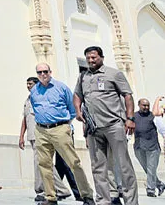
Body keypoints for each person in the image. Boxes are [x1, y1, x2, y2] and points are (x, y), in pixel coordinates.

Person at [74, 46, 139, 205]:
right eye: (88, 58)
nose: (90, 60)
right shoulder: (83, 76)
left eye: (94, 57)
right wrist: (77, 110)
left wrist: (130, 118)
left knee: (124, 166)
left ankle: (131, 201)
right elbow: (77, 95)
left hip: (114, 126)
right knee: (98, 168)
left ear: (101, 57)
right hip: (93, 129)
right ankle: (104, 200)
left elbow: (128, 96)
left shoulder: (114, 74)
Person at [29, 63, 95, 205]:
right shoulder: (34, 91)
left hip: (59, 128)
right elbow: (35, 108)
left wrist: (65, 126)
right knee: (44, 165)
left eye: (45, 71)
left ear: (50, 72)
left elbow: (72, 109)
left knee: (73, 162)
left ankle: (87, 196)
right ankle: (50, 197)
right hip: (41, 130)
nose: (42, 75)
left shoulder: (61, 87)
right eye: (39, 72)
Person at [19, 76, 72, 202]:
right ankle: (58, 189)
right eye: (27, 84)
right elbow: (25, 119)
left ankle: (46, 190)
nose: (28, 86)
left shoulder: (42, 98)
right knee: (43, 163)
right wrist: (21, 136)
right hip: (32, 135)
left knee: (43, 163)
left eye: (30, 84)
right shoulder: (28, 100)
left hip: (41, 134)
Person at [133, 98, 165, 197]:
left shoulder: (154, 117)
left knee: (151, 169)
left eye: (147, 105)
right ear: (139, 105)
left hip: (153, 148)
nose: (146, 107)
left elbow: (162, 130)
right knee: (147, 169)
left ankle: (150, 189)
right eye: (144, 105)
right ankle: (160, 184)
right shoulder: (134, 116)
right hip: (139, 147)